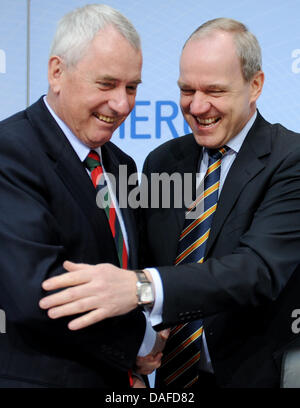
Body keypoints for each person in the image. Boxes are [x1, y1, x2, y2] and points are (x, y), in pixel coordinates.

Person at [39, 18, 300, 388]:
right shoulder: (162, 161)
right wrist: (135, 342)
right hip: (169, 381)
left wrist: (140, 287)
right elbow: (140, 257)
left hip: (255, 377)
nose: (197, 106)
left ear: (254, 85)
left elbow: (256, 270)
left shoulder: (290, 159)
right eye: (186, 90)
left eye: (214, 90)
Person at [0, 3, 164, 388]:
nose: (122, 104)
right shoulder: (11, 152)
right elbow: (40, 291)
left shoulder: (121, 163)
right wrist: (139, 343)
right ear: (57, 72)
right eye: (106, 84)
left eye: (132, 87)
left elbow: (126, 273)